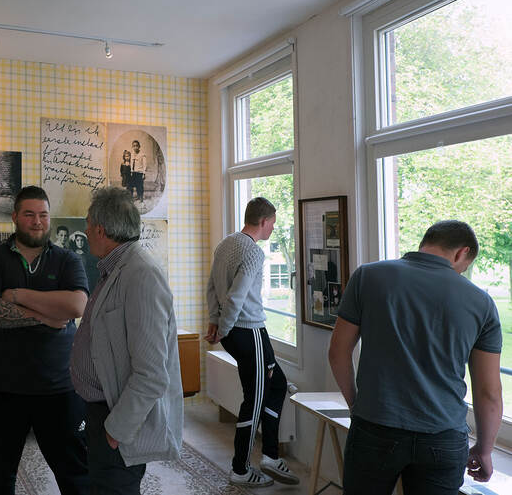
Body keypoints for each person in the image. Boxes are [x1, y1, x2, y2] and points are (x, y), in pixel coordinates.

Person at [328, 220, 503, 494]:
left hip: (375, 426)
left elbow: (337, 353)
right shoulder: (481, 303)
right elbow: (489, 391)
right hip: (443, 436)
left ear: (426, 242)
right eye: (464, 267)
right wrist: (485, 449)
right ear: (461, 253)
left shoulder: (368, 277)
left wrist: (356, 405)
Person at [0, 185, 90, 495]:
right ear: (14, 217)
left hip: (61, 388)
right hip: (3, 389)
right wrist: (47, 315)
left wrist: (19, 296)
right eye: (29, 215)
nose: (37, 222)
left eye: (43, 215)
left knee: (76, 477)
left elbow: (77, 305)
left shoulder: (67, 260)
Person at [70, 187, 183, 494]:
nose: (85, 230)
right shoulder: (118, 266)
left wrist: (115, 431)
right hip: (102, 410)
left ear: (100, 230)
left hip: (116, 420)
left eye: (87, 224)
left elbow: (152, 373)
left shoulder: (142, 274)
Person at [205, 196, 299, 487]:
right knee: (255, 401)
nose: (273, 228)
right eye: (272, 223)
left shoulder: (226, 243)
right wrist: (223, 327)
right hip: (248, 331)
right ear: (263, 221)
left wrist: (214, 321)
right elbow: (237, 295)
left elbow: (211, 286)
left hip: (239, 332)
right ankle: (241, 469)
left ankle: (270, 455)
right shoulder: (252, 252)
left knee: (278, 384)